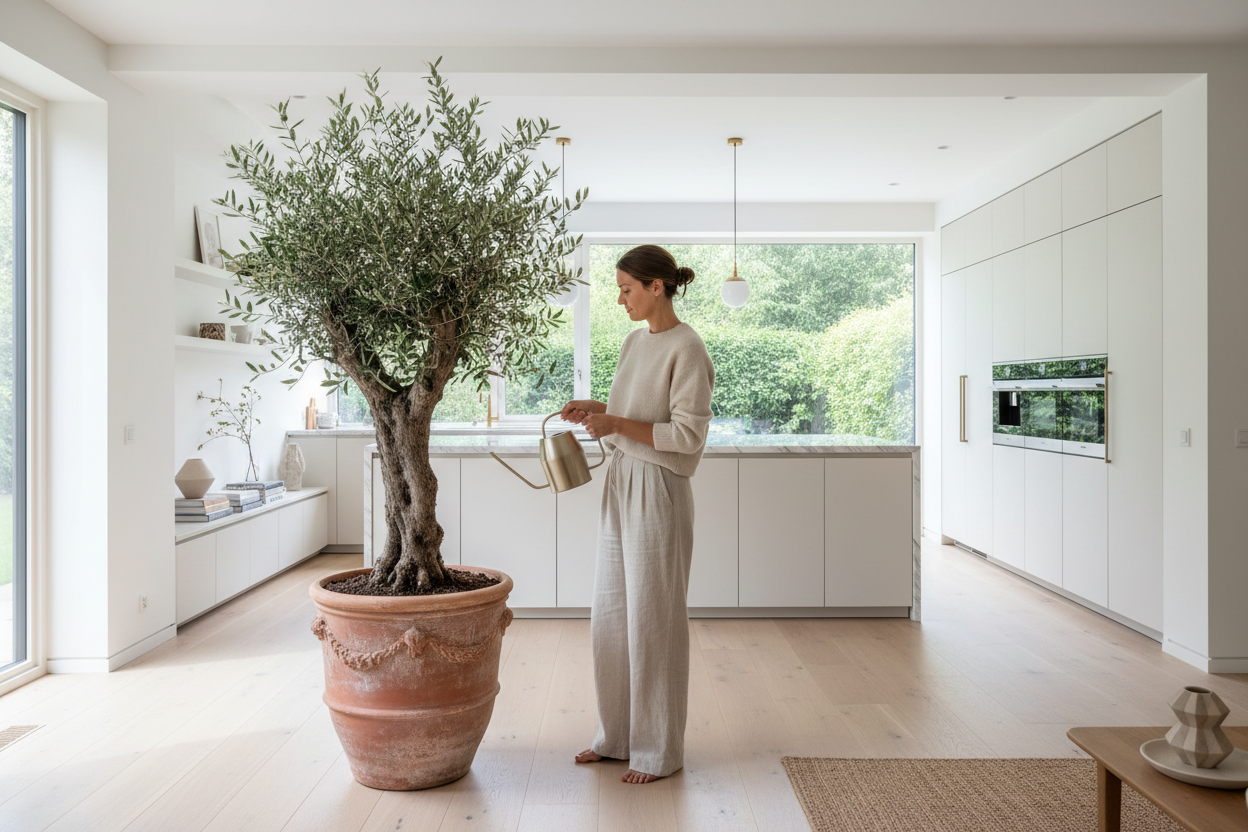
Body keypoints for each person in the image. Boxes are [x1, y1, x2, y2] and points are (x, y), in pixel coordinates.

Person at [560, 244, 716, 785]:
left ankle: (657, 750)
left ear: (657, 287)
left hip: (661, 489)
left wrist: (619, 427)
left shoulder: (688, 347)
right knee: (612, 614)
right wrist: (597, 410)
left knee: (654, 619)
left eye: (627, 288)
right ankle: (617, 737)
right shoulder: (633, 342)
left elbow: (688, 437)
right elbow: (633, 414)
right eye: (619, 289)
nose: (620, 298)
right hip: (622, 482)